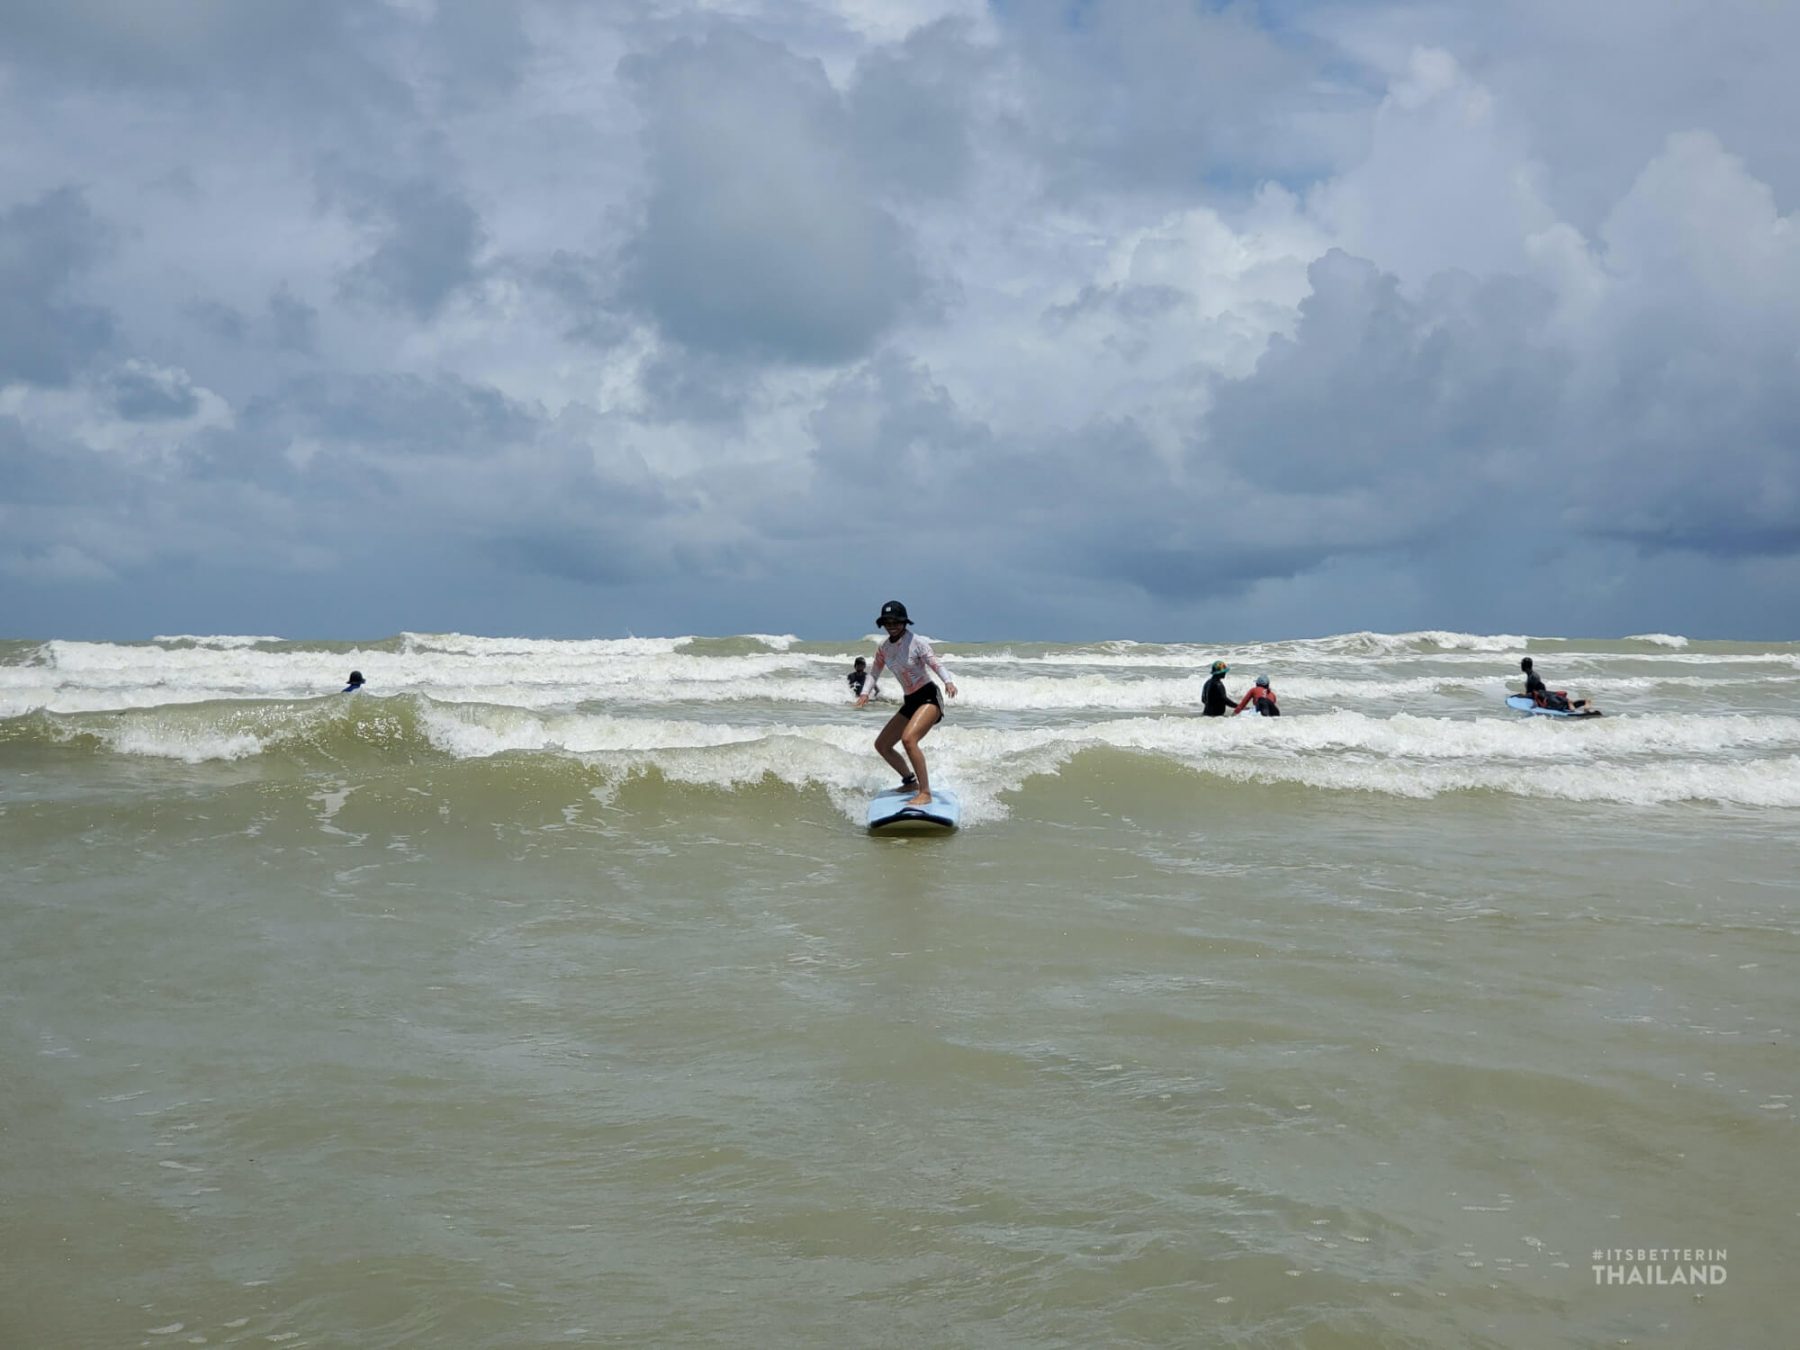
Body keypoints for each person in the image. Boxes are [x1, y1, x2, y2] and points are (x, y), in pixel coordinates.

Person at [855, 600, 958, 806]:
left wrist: (948, 681)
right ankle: (910, 782)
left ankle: (925, 792)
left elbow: (934, 662)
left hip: (929, 696)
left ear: (904, 622)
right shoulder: (884, 648)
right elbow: (874, 671)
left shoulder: (917, 642)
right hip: (910, 700)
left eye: (896, 621)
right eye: (887, 622)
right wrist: (865, 693)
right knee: (882, 745)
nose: (892, 625)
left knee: (909, 740)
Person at [1518, 657, 1591, 712]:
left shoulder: (1532, 677)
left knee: (1562, 705)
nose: (1521, 666)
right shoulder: (1532, 675)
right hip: (1547, 696)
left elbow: (1534, 692)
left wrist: (1522, 696)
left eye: (1522, 664)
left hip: (1545, 697)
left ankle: (1572, 702)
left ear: (1524, 666)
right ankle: (1585, 702)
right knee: (1564, 705)